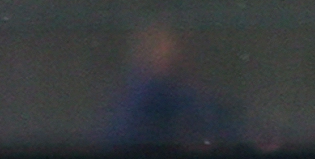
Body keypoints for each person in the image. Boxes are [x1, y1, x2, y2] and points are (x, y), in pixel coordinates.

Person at [99, 22, 240, 148]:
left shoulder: (200, 100)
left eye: (170, 46)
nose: (164, 52)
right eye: (154, 46)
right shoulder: (134, 102)